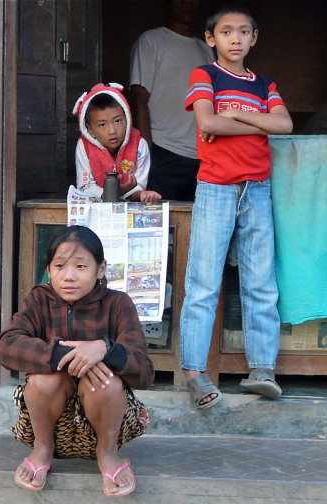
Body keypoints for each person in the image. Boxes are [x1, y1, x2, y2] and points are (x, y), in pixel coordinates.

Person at [180, 1, 293, 409]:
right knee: (203, 283)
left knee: (261, 282)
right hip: (216, 189)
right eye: (227, 32)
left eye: (244, 31)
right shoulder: (205, 74)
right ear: (211, 39)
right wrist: (256, 119)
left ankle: (262, 369)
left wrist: (239, 117)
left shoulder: (264, 83)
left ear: (254, 38)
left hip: (256, 189)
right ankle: (194, 372)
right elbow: (207, 122)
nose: (236, 38)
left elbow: (285, 124)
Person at [0, 226, 154, 497]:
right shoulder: (39, 300)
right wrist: (63, 357)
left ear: (100, 269)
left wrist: (104, 349)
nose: (68, 276)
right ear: (49, 268)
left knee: (103, 380)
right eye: (59, 266)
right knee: (45, 378)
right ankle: (42, 450)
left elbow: (145, 372)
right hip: (49, 419)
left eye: (81, 266)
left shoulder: (118, 303)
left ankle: (108, 455)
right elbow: (6, 346)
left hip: (107, 418)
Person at [130, 0, 213, 201]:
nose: (187, 4)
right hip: (162, 150)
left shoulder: (206, 49)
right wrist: (148, 150)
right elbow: (140, 97)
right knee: (159, 222)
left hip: (201, 155)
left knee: (195, 222)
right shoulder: (151, 40)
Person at [73, 83, 162, 203]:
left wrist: (141, 195)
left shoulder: (139, 144)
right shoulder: (84, 146)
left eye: (118, 121)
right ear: (90, 130)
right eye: (102, 125)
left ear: (128, 118)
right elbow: (85, 187)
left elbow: (139, 185)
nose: (112, 131)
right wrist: (113, 193)